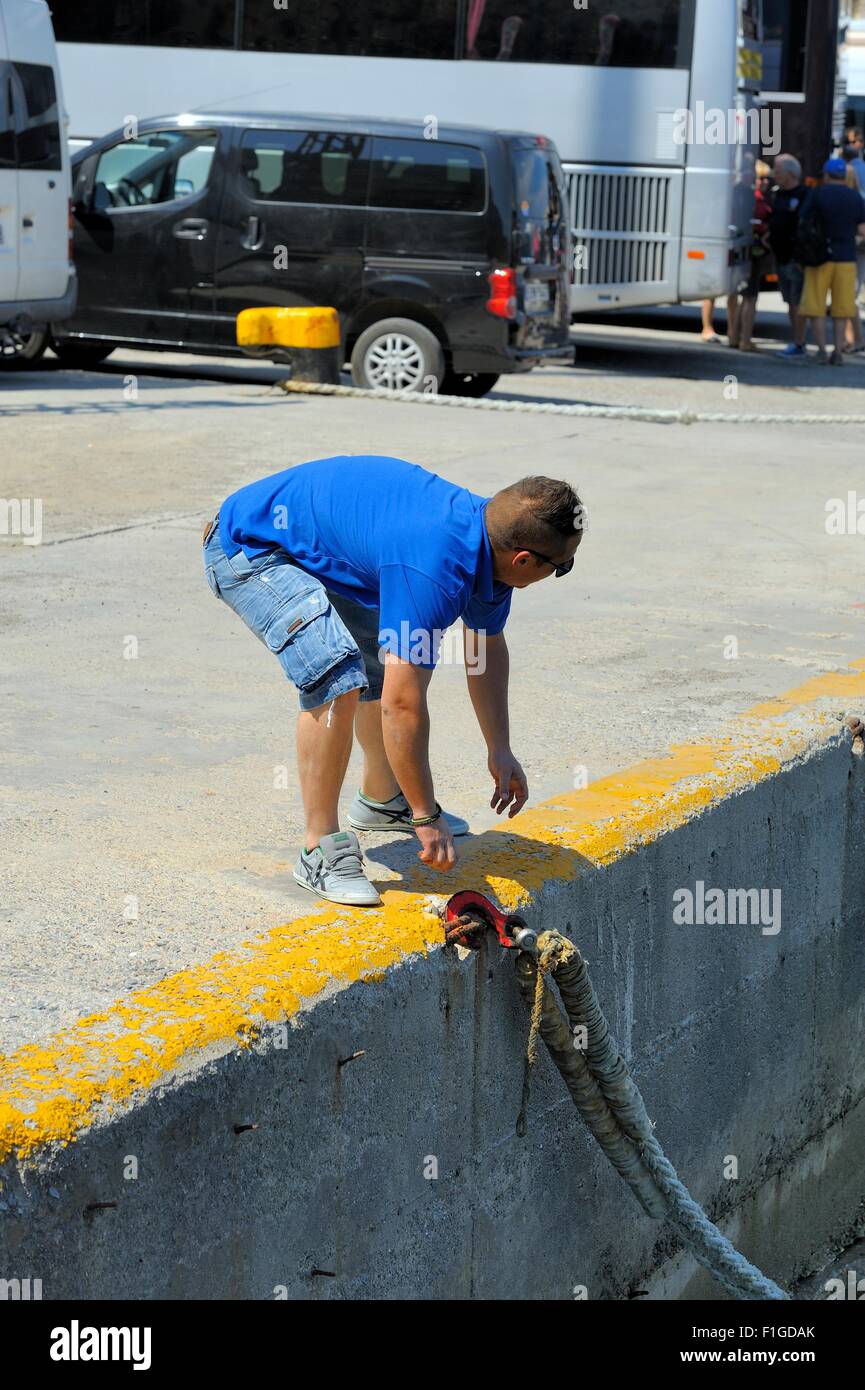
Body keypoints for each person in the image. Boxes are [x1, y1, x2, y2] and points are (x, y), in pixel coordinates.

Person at [202, 459, 584, 906]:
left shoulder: (490, 546)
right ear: (524, 559)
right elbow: (402, 707)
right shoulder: (435, 569)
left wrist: (499, 747)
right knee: (338, 674)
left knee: (382, 667)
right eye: (563, 566)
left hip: (324, 549)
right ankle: (318, 848)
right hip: (251, 547)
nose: (560, 571)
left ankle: (382, 801)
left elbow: (482, 651)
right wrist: (427, 815)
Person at [799, 158, 865, 365]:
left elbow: (803, 221)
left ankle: (821, 350)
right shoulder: (855, 197)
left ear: (826, 175)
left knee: (816, 306)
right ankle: (838, 350)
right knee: (842, 308)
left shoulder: (817, 194)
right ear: (845, 176)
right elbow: (863, 230)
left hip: (819, 257)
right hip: (846, 258)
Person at [729, 160, 774, 352]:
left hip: (741, 249)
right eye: (760, 178)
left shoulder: (737, 193)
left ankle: (734, 336)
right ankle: (745, 340)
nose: (764, 182)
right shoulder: (754, 198)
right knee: (750, 298)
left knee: (742, 296)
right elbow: (756, 224)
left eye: (767, 178)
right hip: (751, 251)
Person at [768, 153, 809, 359]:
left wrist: (801, 257)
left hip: (796, 259)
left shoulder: (804, 195)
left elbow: (806, 228)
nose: (774, 175)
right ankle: (797, 340)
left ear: (791, 174)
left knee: (797, 302)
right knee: (790, 302)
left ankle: (799, 343)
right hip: (781, 257)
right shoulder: (777, 194)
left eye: (778, 171)